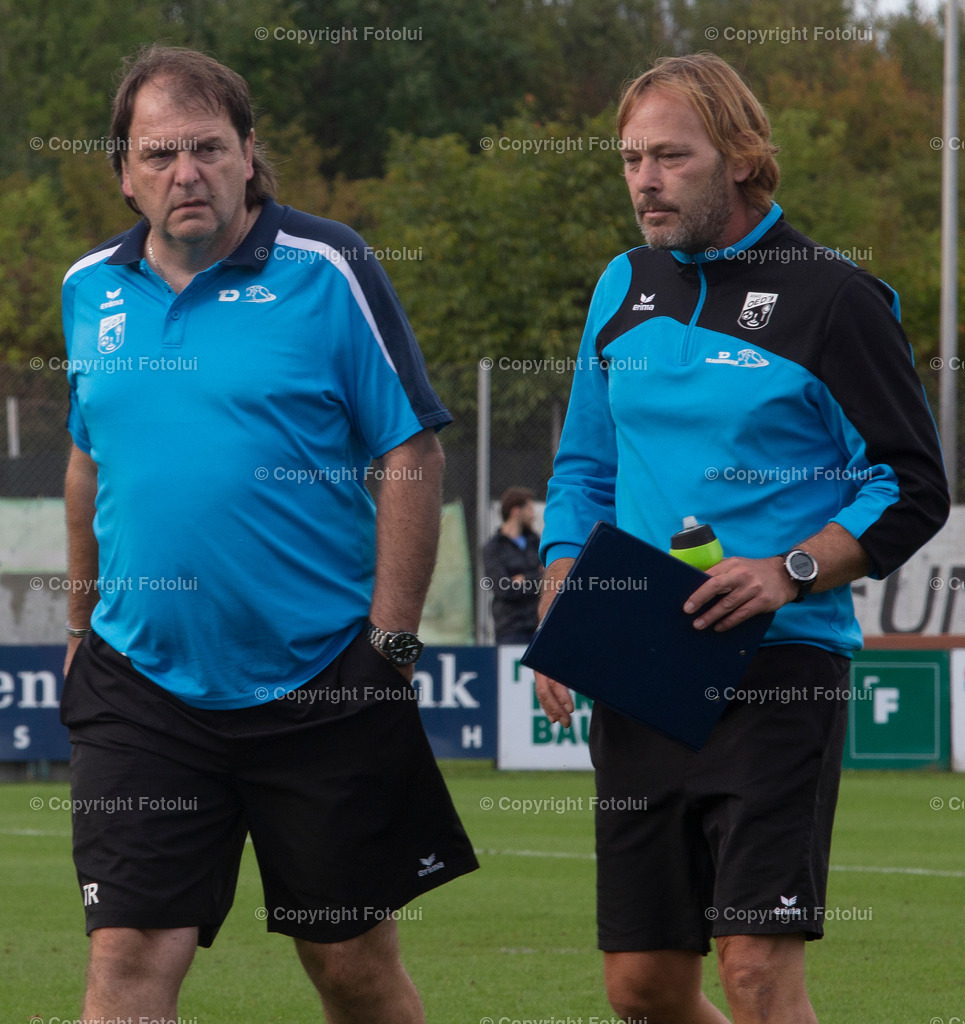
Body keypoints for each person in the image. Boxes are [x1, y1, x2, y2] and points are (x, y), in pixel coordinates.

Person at [60, 44, 477, 1023]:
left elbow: (409, 454)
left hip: (321, 684)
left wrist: (393, 643)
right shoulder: (89, 289)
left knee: (350, 969)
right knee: (125, 959)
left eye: (206, 147)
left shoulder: (329, 269)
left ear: (249, 154)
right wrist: (79, 632)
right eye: (158, 154)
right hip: (141, 689)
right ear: (124, 171)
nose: (184, 172)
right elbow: (86, 464)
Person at [534, 53, 948, 1024]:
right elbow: (581, 468)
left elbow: (911, 483)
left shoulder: (834, 300)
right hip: (639, 661)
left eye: (669, 156)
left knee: (755, 969)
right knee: (641, 988)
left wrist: (789, 569)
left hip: (779, 670)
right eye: (630, 157)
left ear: (744, 157)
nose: (643, 179)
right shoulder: (620, 286)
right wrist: (561, 577)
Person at [482, 486, 542, 643]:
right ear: (516, 511)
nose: (533, 515)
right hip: (511, 630)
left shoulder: (536, 542)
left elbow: (549, 578)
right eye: (529, 509)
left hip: (540, 626)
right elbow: (504, 588)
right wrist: (537, 578)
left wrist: (523, 579)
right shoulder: (493, 548)